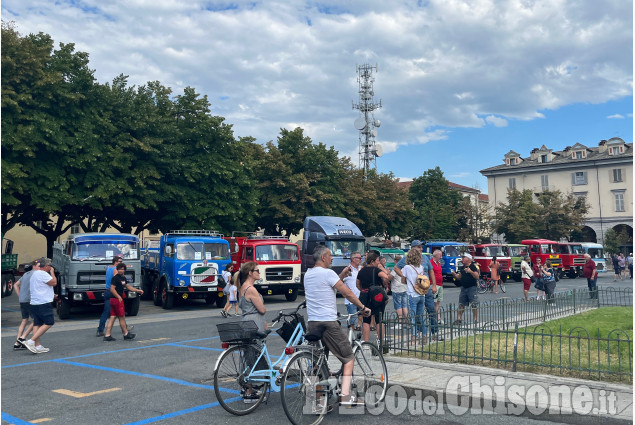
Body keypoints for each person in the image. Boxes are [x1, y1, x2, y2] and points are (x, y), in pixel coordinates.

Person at [304, 245, 371, 407]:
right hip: (328, 322)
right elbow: (347, 292)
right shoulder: (327, 273)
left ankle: (319, 401)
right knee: (348, 358)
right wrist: (362, 308)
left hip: (313, 323)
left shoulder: (308, 274)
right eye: (330, 255)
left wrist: (340, 276)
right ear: (323, 258)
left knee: (318, 362)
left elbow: (326, 285)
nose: (332, 258)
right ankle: (345, 395)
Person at [394, 240, 437, 338]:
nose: (421, 249)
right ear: (413, 248)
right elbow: (396, 268)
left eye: (421, 247)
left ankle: (434, 332)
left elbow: (431, 271)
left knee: (431, 310)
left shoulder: (425, 258)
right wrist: (405, 277)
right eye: (419, 247)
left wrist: (434, 285)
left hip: (426, 288)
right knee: (417, 313)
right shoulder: (407, 258)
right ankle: (419, 332)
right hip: (415, 289)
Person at [22, 257, 57, 354]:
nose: (51, 267)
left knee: (37, 323)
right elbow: (54, 282)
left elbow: (41, 287)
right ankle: (31, 341)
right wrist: (52, 273)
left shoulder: (35, 273)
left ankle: (37, 346)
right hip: (43, 302)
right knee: (49, 322)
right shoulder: (43, 274)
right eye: (50, 266)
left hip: (35, 302)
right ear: (46, 266)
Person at [356, 251, 389, 344]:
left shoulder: (361, 271)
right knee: (379, 319)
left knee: (366, 319)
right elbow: (385, 276)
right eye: (377, 260)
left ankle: (366, 342)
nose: (378, 262)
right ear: (372, 261)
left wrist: (363, 290)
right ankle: (380, 342)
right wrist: (383, 286)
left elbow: (357, 284)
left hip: (364, 295)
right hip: (376, 296)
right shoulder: (377, 270)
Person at [103, 263, 143, 341]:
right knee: (121, 317)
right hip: (116, 300)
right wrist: (118, 296)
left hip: (115, 300)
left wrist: (137, 290)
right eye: (120, 269)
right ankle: (126, 334)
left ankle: (107, 335)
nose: (121, 270)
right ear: (117, 269)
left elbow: (128, 286)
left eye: (123, 269)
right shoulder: (115, 278)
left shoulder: (123, 278)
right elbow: (112, 289)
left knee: (113, 317)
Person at [97, 256, 129, 337]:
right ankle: (125, 330)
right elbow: (117, 279)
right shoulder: (115, 270)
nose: (121, 263)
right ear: (115, 262)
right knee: (119, 313)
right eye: (120, 261)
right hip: (113, 293)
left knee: (108, 312)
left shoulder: (109, 268)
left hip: (107, 291)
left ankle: (100, 330)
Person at [402, 248, 428, 342]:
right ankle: (425, 335)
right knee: (420, 317)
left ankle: (413, 337)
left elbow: (403, 280)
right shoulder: (421, 267)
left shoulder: (407, 267)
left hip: (412, 294)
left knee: (412, 317)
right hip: (421, 294)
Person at [13, 260, 38, 350]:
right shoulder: (35, 274)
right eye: (38, 266)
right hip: (29, 300)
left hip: (23, 300)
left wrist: (20, 295)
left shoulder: (25, 275)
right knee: (36, 319)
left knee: (24, 320)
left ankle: (17, 342)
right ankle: (22, 338)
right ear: (34, 266)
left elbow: (15, 285)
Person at [237, 262, 267, 331]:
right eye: (257, 271)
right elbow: (262, 310)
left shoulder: (242, 287)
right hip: (254, 323)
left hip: (246, 321)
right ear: (250, 273)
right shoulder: (251, 289)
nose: (259, 273)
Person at [451, 253, 479, 325]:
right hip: (464, 288)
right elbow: (459, 277)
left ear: (468, 259)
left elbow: (477, 276)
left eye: (464, 257)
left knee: (474, 303)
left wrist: (471, 272)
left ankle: (475, 319)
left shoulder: (473, 266)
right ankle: (459, 318)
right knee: (461, 303)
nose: (462, 259)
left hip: (472, 287)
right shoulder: (463, 267)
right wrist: (454, 274)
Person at [343, 251, 363, 331]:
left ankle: (357, 337)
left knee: (361, 316)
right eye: (359, 258)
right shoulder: (348, 270)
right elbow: (341, 281)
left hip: (360, 298)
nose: (361, 260)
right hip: (351, 300)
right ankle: (350, 338)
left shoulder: (361, 269)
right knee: (351, 321)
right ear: (353, 259)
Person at [389, 254, 408, 327]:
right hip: (404, 287)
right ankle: (406, 320)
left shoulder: (396, 268)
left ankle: (400, 322)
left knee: (398, 306)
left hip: (397, 289)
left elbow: (390, 277)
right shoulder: (405, 268)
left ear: (395, 261)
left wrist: (388, 274)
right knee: (405, 305)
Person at [430, 250, 444, 329]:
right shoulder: (431, 263)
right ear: (436, 255)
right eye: (440, 255)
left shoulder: (438, 263)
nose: (441, 257)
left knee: (438, 302)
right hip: (434, 284)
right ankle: (435, 318)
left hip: (440, 284)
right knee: (434, 302)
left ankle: (438, 317)